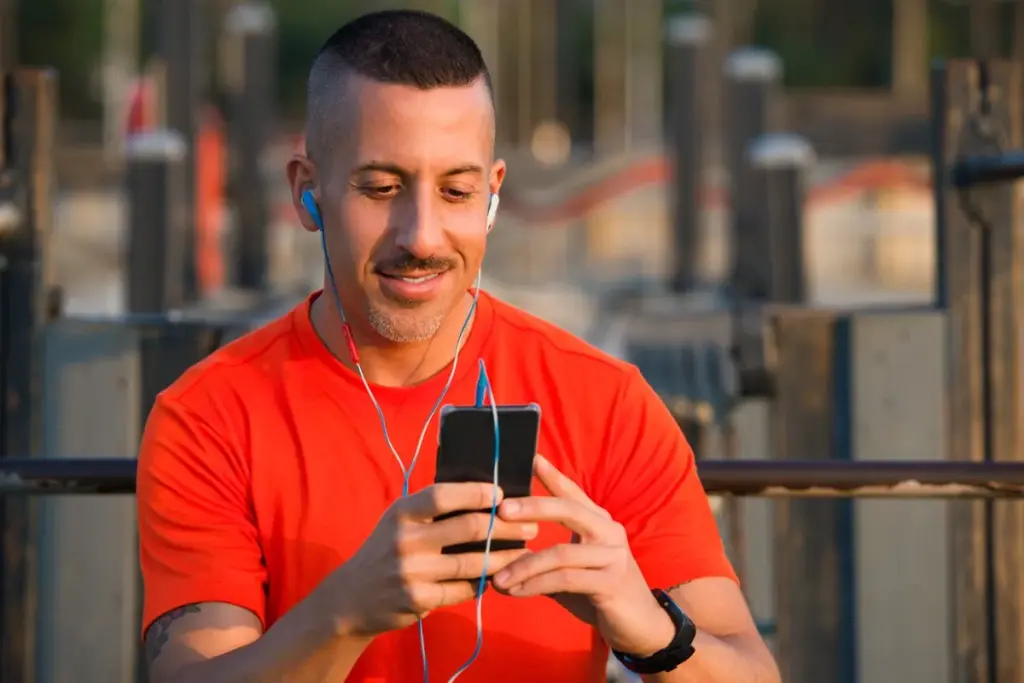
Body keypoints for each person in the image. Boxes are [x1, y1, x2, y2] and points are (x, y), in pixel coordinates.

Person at [137, 9, 779, 683]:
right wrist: (348, 610)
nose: (422, 234)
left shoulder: (606, 401)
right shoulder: (208, 415)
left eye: (457, 191)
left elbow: (752, 671)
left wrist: (645, 623)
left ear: (493, 196)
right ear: (307, 192)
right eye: (381, 188)